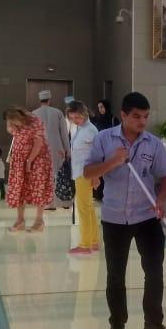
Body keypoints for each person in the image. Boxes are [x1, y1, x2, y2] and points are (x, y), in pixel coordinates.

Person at [84, 91, 166, 329]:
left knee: (154, 272)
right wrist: (113, 161)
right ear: (123, 115)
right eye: (136, 116)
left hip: (147, 217)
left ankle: (153, 324)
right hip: (114, 218)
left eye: (145, 116)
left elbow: (165, 178)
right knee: (115, 274)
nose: (142, 121)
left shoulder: (153, 144)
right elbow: (88, 172)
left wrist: (161, 199)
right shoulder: (104, 139)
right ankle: (117, 323)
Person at [5, 106, 54, 233]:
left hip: (38, 159)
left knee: (39, 187)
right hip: (19, 158)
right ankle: (20, 221)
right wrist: (11, 126)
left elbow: (38, 143)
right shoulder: (12, 121)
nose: (14, 125)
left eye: (15, 122)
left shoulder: (35, 121)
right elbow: (10, 130)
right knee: (19, 187)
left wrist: (29, 160)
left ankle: (39, 221)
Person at [65, 101, 100, 256]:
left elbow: (97, 155)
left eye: (77, 117)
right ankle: (93, 241)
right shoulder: (82, 129)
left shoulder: (90, 130)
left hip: (84, 173)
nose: (75, 120)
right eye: (72, 118)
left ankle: (85, 244)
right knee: (88, 207)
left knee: (84, 208)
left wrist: (96, 176)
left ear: (84, 113)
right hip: (81, 172)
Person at [32, 89, 70, 210]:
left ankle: (47, 203)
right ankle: (61, 201)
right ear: (49, 100)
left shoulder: (33, 114)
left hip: (40, 148)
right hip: (57, 148)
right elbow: (64, 134)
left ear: (40, 100)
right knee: (58, 174)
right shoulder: (58, 112)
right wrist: (68, 150)